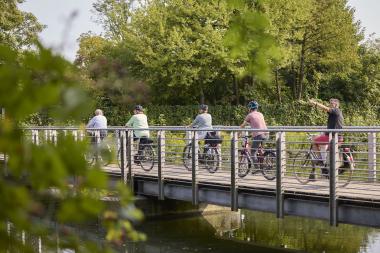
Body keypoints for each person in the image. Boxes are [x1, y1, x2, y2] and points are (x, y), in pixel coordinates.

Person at [308, 98, 344, 169]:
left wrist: (315, 103)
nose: (329, 105)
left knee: (314, 141)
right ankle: (326, 169)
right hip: (336, 137)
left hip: (332, 137)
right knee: (327, 153)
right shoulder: (336, 113)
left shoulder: (336, 111)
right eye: (329, 103)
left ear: (336, 105)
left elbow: (325, 108)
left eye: (331, 104)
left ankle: (320, 160)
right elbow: (325, 109)